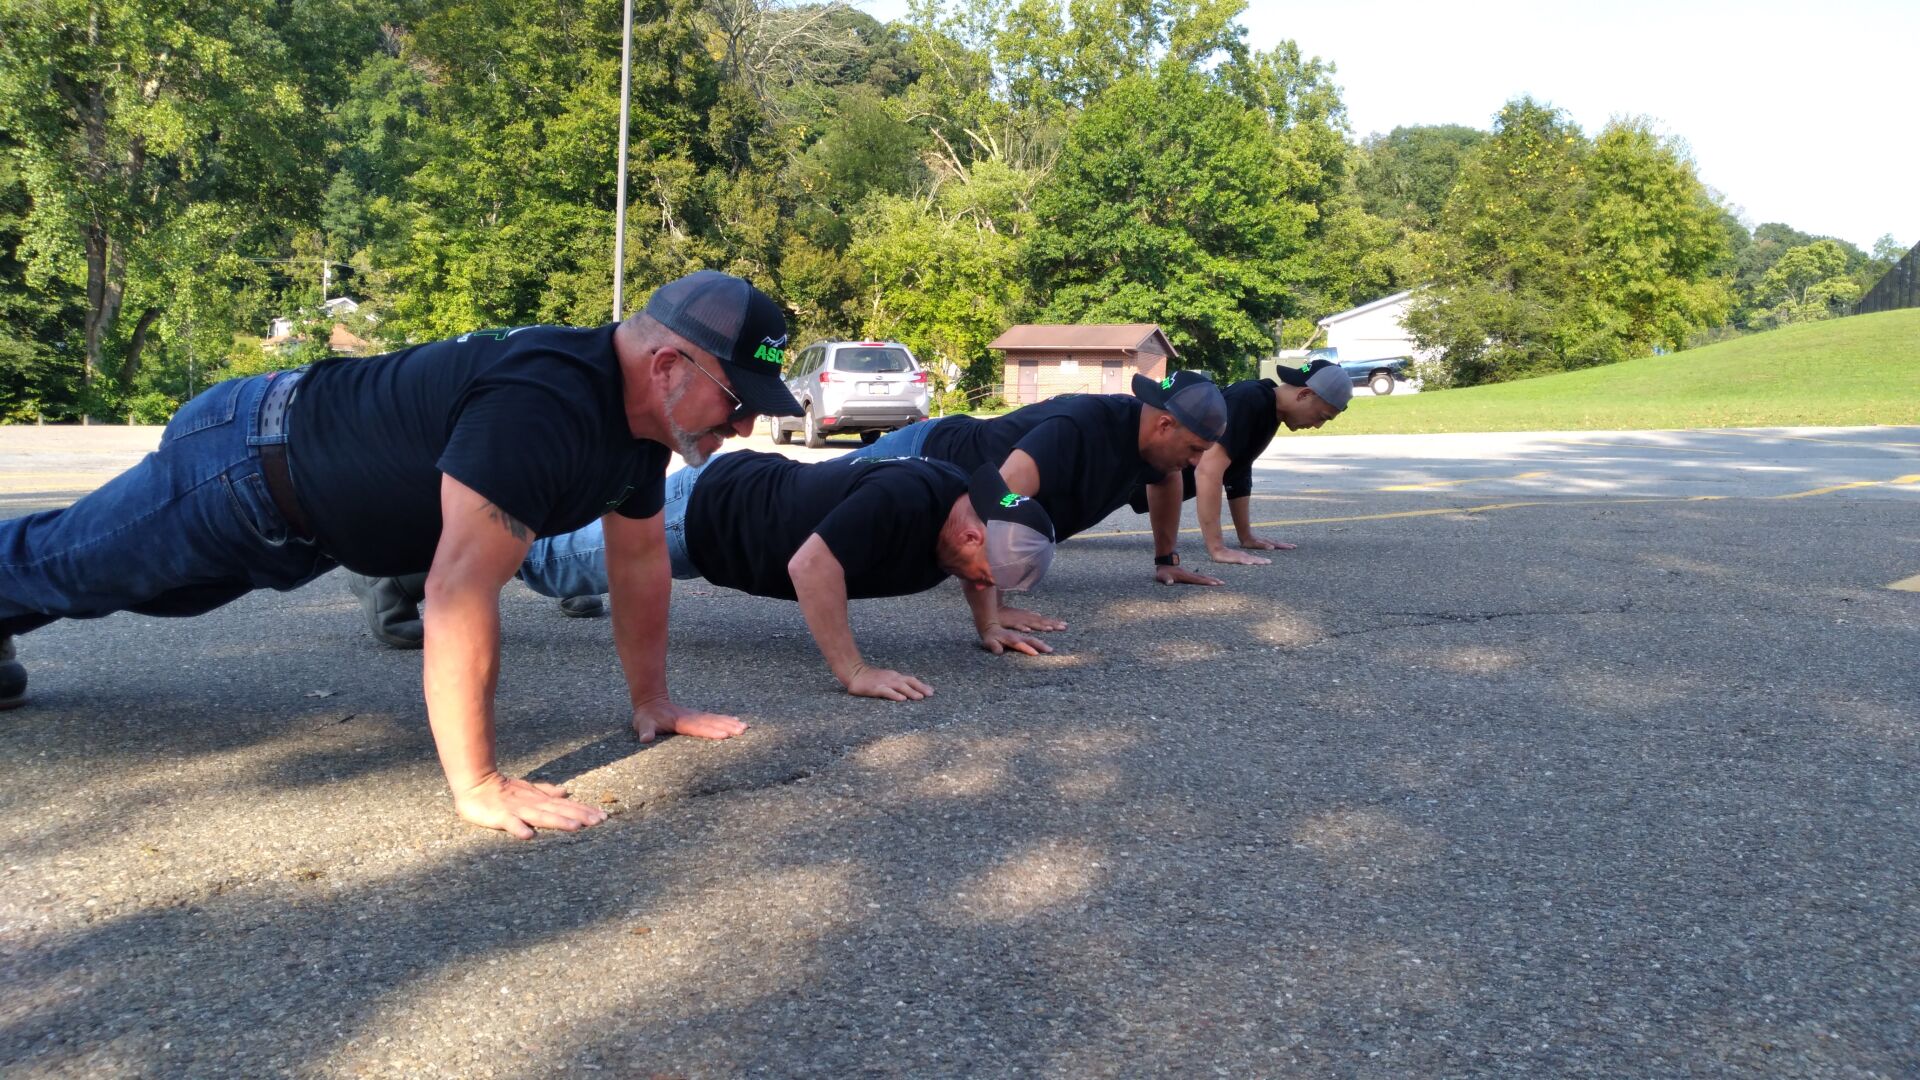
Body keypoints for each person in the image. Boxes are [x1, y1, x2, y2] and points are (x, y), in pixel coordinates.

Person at [0, 270, 803, 840]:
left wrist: (654, 701)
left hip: (299, 520)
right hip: (242, 463)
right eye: (737, 404)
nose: (742, 429)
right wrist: (479, 784)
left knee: (139, 591)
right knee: (68, 568)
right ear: (667, 365)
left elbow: (637, 566)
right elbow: (458, 591)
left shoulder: (638, 440)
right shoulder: (545, 405)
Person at [514, 451, 1058, 699]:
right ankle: (445, 548)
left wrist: (988, 626)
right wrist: (855, 670)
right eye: (989, 577)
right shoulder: (904, 500)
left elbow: (978, 572)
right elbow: (811, 565)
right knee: (545, 567)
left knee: (562, 543)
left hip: (742, 497)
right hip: (707, 517)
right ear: (971, 534)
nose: (986, 587)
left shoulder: (971, 506)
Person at [839, 370, 1229, 630]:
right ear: (1164, 424)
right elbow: (997, 502)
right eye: (1195, 449)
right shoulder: (1079, 429)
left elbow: (1166, 480)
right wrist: (995, 611)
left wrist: (1167, 560)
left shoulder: (1154, 448)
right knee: (813, 505)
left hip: (946, 480)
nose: (1197, 462)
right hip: (923, 451)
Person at [1126, 357, 1351, 565]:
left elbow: (1238, 470)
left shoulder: (1268, 411)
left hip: (1151, 487)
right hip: (1131, 480)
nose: (1317, 426)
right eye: (1322, 417)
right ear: (1304, 394)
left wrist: (1246, 536)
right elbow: (1207, 470)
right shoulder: (1250, 399)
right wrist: (1217, 549)